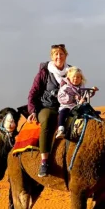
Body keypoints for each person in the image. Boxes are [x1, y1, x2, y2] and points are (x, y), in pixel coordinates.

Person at [27, 44, 71, 177]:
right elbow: (33, 93)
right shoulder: (44, 72)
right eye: (56, 54)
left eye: (61, 54)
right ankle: (44, 161)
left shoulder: (71, 72)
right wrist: (33, 111)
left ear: (65, 56)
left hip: (67, 107)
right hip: (47, 107)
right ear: (52, 57)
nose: (59, 57)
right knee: (46, 121)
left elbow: (79, 86)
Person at [56, 66, 98, 139]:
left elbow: (86, 95)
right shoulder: (65, 88)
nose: (76, 79)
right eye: (74, 77)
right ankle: (61, 129)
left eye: (78, 77)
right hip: (68, 106)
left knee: (91, 112)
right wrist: (75, 98)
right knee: (63, 112)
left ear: (81, 78)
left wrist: (92, 90)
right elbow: (61, 98)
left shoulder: (82, 88)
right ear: (69, 78)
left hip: (79, 107)